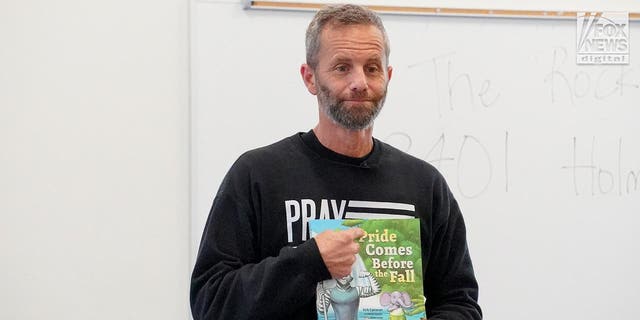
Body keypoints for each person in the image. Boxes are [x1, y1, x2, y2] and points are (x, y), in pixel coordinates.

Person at [191, 4, 482, 320]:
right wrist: (310, 260)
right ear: (310, 78)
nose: (360, 82)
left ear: (388, 76)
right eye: (342, 67)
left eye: (372, 68)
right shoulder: (257, 175)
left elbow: (461, 304)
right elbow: (211, 301)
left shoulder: (424, 185)